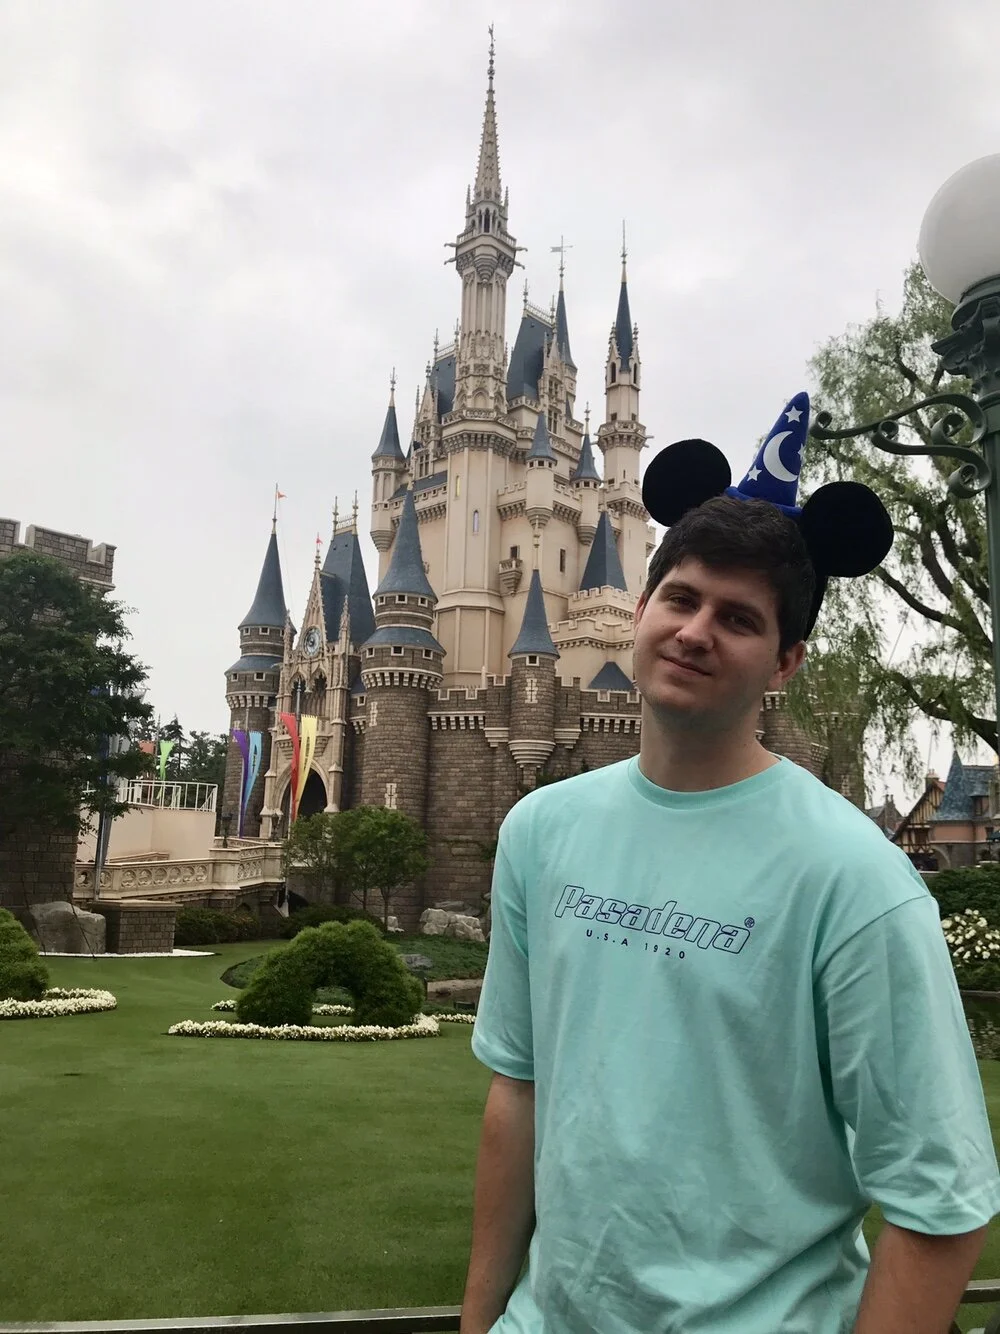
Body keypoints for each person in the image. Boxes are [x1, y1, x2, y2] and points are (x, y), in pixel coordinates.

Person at [461, 394, 1000, 1334]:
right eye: (681, 598)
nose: (696, 631)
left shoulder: (854, 879)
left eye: (739, 619)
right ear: (638, 610)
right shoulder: (540, 831)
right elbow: (518, 1094)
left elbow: (940, 1204)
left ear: (785, 663)